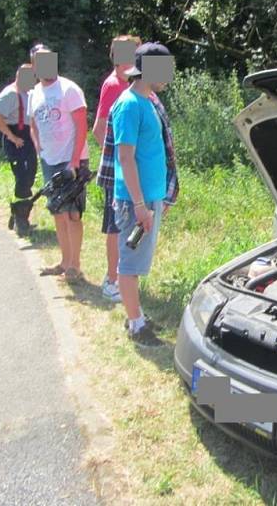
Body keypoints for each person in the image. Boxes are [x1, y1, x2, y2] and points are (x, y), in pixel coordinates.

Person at [111, 42, 177, 347]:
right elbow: (125, 158)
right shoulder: (129, 104)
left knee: (136, 262)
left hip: (149, 198)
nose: (169, 76)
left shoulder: (147, 100)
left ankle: (134, 313)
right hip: (134, 201)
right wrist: (139, 205)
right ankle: (136, 325)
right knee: (130, 264)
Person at [27, 43, 89, 282]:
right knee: (57, 212)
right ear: (33, 66)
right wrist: (37, 145)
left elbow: (82, 124)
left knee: (73, 214)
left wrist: (74, 161)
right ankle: (64, 262)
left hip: (71, 161)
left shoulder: (69, 89)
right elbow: (33, 124)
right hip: (49, 160)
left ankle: (75, 265)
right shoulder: (35, 93)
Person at [94, 35, 140, 301]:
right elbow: (99, 130)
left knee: (125, 225)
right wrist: (118, 160)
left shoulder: (130, 84)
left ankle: (124, 277)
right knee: (115, 227)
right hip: (117, 171)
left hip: (127, 169)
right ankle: (111, 280)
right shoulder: (113, 86)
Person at [0, 64, 38, 236]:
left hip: (28, 137)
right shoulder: (10, 93)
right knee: (22, 177)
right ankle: (20, 219)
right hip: (16, 137)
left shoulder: (29, 93)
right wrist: (10, 136)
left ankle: (19, 215)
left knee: (30, 173)